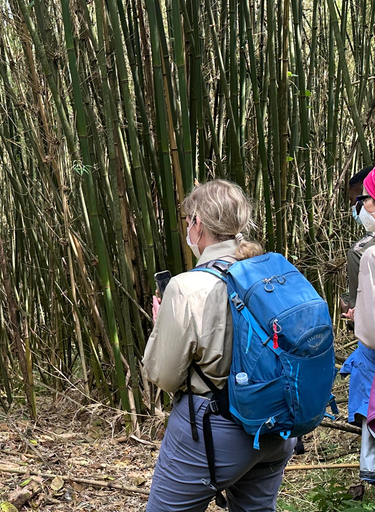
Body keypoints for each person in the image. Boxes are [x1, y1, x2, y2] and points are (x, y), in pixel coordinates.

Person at [143, 180, 295, 512]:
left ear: (197, 224)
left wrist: (162, 329)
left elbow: (165, 376)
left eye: (188, 222)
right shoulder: (275, 272)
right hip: (277, 427)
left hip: (216, 429)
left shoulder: (186, 288)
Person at [340, 168, 375, 482]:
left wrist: (356, 314)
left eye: (362, 200)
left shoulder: (365, 252)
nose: (359, 208)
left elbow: (367, 323)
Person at [343, 166, 375, 317]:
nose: (354, 208)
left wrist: (351, 310)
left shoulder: (361, 252)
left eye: (362, 199)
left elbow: (363, 315)